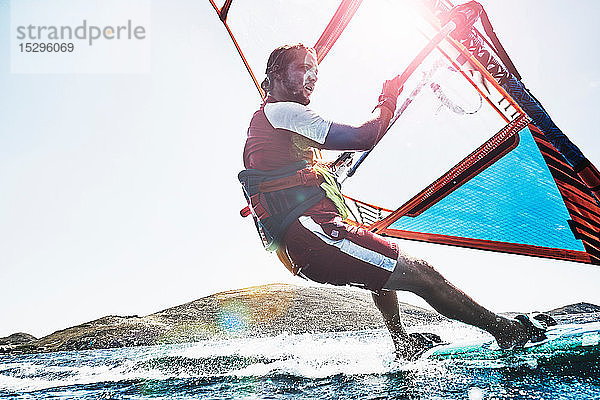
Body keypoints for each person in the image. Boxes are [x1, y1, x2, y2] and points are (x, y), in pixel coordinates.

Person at [239, 44, 549, 360]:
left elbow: (290, 174)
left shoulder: (262, 125)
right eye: (304, 68)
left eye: (316, 70)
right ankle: (506, 331)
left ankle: (401, 342)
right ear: (275, 74)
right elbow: (364, 136)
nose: (313, 76)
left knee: (380, 261)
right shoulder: (283, 111)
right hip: (317, 237)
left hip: (306, 245)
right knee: (422, 274)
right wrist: (387, 99)